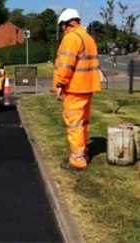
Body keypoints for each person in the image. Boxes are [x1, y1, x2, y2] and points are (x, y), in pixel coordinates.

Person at [52, 8, 101, 171]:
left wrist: (59, 84)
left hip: (75, 88)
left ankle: (77, 160)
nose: (62, 30)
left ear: (67, 23)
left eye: (62, 26)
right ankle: (83, 152)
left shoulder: (71, 38)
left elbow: (66, 65)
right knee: (83, 123)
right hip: (87, 87)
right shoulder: (87, 38)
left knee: (74, 124)